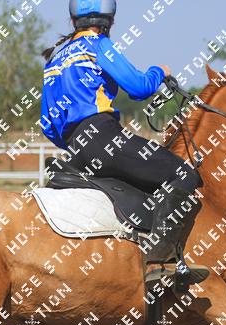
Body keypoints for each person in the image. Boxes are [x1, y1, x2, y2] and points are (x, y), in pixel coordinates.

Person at [40, 0, 207, 290]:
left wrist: (74, 142)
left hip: (74, 149)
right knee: (183, 175)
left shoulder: (54, 60)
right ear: (109, 21)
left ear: (73, 21)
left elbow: (47, 125)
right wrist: (159, 71)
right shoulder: (98, 45)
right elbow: (140, 87)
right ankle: (159, 264)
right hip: (102, 137)